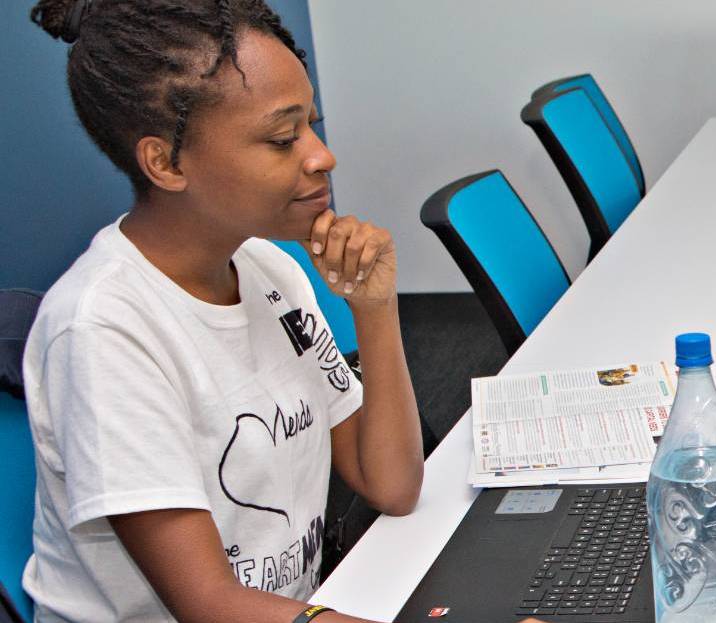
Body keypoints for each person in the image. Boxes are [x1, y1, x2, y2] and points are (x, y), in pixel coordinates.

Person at [20, 1, 426, 621]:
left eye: (313, 125)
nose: (322, 156)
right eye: (284, 137)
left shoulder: (270, 270)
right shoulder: (103, 329)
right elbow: (207, 604)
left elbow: (392, 486)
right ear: (166, 163)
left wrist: (374, 311)